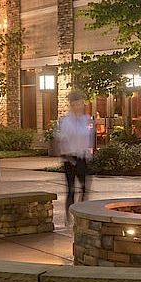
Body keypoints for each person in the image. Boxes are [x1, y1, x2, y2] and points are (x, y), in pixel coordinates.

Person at [55, 90, 95, 219]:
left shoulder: (86, 120)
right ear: (72, 105)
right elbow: (62, 140)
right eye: (76, 104)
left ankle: (81, 213)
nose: (79, 107)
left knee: (84, 188)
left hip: (82, 157)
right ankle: (69, 216)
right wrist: (65, 154)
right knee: (71, 189)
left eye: (81, 104)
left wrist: (89, 152)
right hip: (70, 158)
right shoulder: (66, 122)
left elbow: (89, 137)